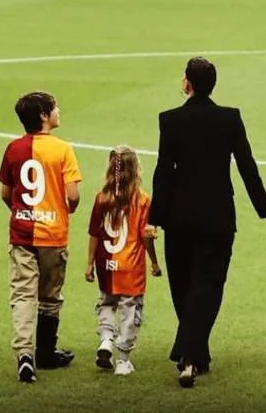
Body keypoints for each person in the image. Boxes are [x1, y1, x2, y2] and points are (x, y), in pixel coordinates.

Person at [149, 57, 266, 388]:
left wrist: (154, 218)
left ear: (188, 84)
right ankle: (195, 353)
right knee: (208, 285)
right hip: (217, 217)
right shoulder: (229, 119)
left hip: (179, 217)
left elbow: (164, 172)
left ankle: (189, 353)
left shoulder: (170, 120)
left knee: (183, 286)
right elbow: (246, 166)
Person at [0, 91, 82, 383]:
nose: (59, 110)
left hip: (21, 233)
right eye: (54, 108)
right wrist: (63, 210)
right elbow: (73, 195)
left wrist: (22, 212)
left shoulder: (13, 149)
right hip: (53, 233)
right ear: (44, 116)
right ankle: (47, 352)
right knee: (50, 296)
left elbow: (6, 194)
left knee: (22, 294)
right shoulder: (62, 149)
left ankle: (25, 354)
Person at [85, 145, 162, 376]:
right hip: (130, 267)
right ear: (136, 169)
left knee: (106, 303)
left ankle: (106, 339)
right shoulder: (142, 200)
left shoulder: (102, 198)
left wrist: (89, 263)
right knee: (131, 310)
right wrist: (155, 262)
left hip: (106, 265)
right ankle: (123, 360)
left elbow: (94, 234)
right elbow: (146, 236)